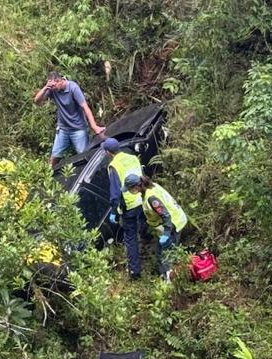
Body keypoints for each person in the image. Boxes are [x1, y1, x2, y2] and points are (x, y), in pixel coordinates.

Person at [33, 71, 106, 169]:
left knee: (84, 156)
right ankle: (48, 175)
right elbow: (37, 101)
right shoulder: (52, 89)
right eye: (51, 86)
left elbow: (85, 107)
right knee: (55, 156)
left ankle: (93, 174)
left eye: (54, 86)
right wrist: (46, 87)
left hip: (78, 128)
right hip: (63, 128)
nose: (53, 88)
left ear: (60, 81)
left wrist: (94, 126)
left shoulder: (73, 88)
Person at [127, 174, 187, 281]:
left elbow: (165, 215)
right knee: (161, 253)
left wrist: (167, 233)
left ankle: (170, 281)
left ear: (136, 187)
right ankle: (166, 277)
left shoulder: (151, 198)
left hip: (173, 224)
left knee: (166, 256)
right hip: (173, 222)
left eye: (130, 189)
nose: (130, 192)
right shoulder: (150, 187)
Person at [103, 138, 144, 279]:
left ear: (108, 152)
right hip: (142, 199)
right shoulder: (133, 158)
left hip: (129, 206)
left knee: (130, 238)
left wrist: (114, 211)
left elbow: (115, 193)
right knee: (145, 228)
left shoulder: (113, 166)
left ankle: (135, 272)